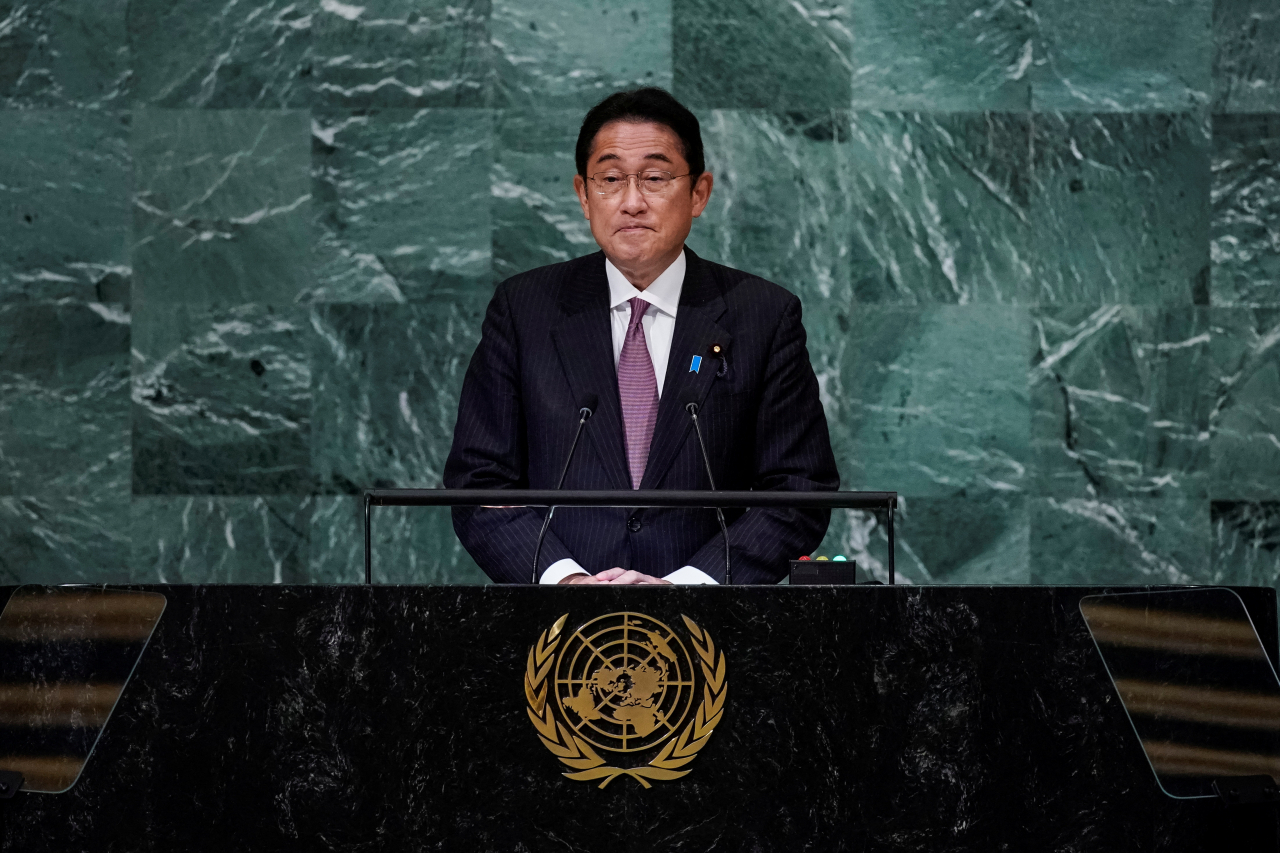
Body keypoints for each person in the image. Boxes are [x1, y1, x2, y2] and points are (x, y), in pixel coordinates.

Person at [444, 87, 838, 585]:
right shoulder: (524, 309)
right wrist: (566, 582)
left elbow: (798, 490)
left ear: (699, 193)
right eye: (610, 179)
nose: (632, 202)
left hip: (710, 620)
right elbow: (481, 481)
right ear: (584, 195)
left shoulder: (763, 314)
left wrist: (687, 586)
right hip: (558, 622)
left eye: (654, 178)